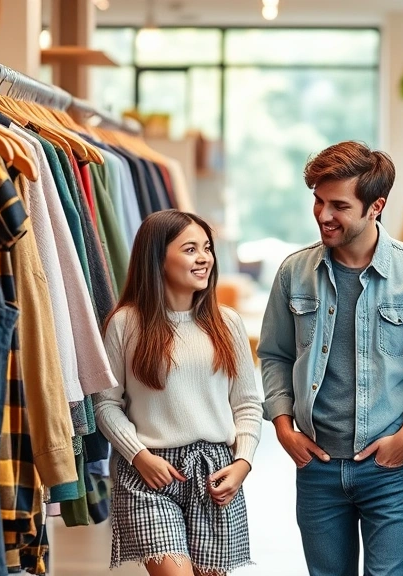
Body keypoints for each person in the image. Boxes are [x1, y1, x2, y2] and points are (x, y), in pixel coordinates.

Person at [258, 141, 403, 576]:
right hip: (317, 468)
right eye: (318, 201)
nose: (324, 215)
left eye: (339, 206)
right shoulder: (293, 272)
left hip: (388, 468)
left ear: (376, 206)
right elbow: (274, 355)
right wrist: (283, 429)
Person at [95, 210, 262, 576]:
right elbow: (106, 404)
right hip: (149, 475)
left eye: (207, 248)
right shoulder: (125, 323)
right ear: (157, 257)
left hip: (215, 472)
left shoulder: (227, 323)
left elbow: (247, 404)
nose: (204, 258)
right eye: (190, 249)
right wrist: (139, 455)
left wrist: (242, 463)